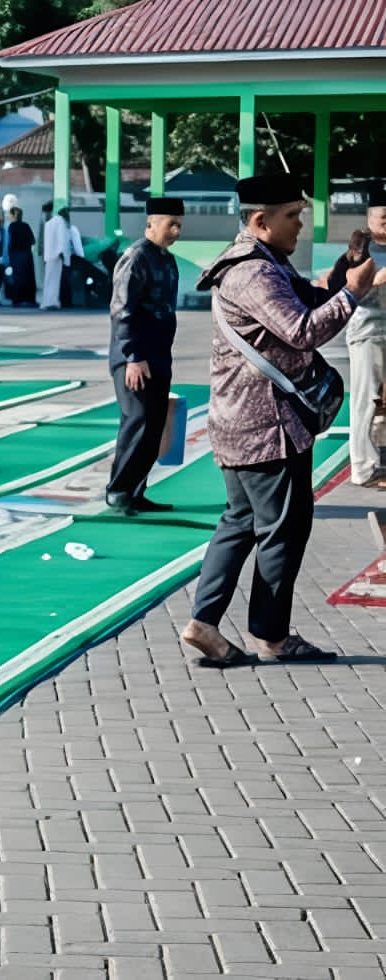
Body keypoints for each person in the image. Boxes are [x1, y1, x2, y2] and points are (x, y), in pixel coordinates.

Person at [182, 173, 386, 669]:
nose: (300, 225)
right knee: (284, 529)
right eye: (292, 216)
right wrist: (354, 294)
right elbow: (302, 330)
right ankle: (270, 635)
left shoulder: (261, 261)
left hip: (244, 422)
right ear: (260, 220)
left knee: (241, 522)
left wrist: (341, 276)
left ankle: (204, 624)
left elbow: (306, 300)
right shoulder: (253, 272)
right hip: (266, 427)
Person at [105, 197, 185, 516]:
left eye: (179, 225)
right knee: (137, 422)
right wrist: (133, 356)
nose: (176, 231)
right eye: (171, 224)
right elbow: (122, 310)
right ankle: (118, 491)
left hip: (158, 355)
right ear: (151, 223)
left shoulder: (166, 260)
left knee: (153, 426)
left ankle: (136, 490)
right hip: (135, 358)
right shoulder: (136, 257)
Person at [327, 190, 386, 488]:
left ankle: (380, 463)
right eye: (383, 218)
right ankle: (363, 468)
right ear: (370, 219)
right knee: (366, 400)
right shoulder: (359, 249)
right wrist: (378, 277)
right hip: (367, 333)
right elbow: (344, 286)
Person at [39, 201, 72, 310]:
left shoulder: (49, 223)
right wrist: (62, 253)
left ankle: (47, 301)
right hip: (57, 255)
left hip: (49, 255)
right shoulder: (60, 222)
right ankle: (52, 301)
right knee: (54, 280)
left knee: (48, 279)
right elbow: (62, 239)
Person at [5, 205, 37, 307]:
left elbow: (9, 242)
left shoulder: (11, 227)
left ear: (13, 215)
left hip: (16, 255)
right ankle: (29, 299)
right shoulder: (26, 226)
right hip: (27, 255)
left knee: (17, 277)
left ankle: (17, 299)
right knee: (28, 277)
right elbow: (33, 240)